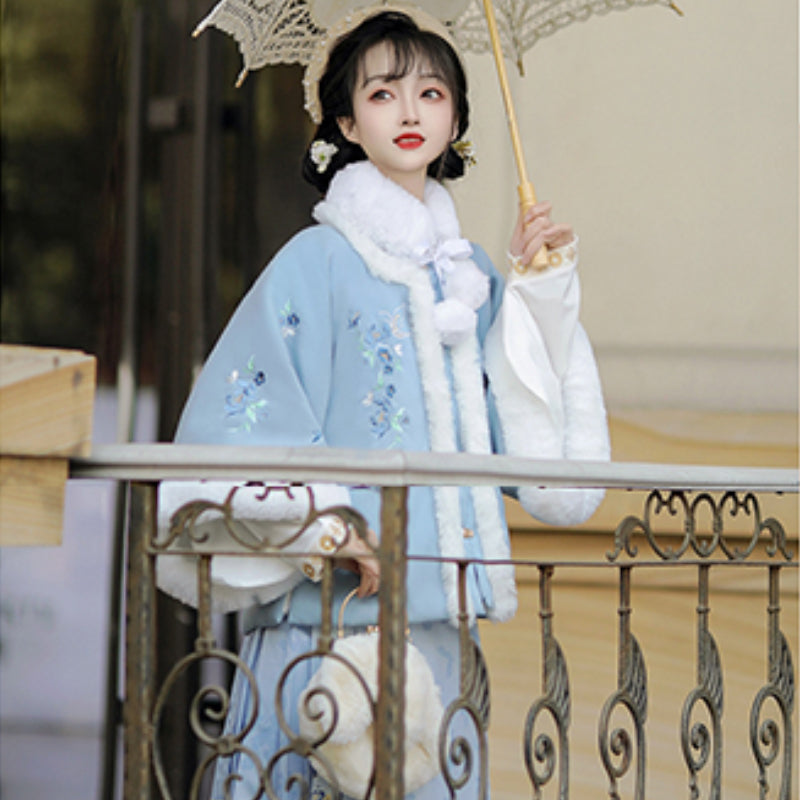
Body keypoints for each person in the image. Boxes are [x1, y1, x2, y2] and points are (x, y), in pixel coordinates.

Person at [157, 6, 609, 798]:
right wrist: (328, 525)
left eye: (432, 94)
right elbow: (232, 429)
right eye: (382, 93)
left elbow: (522, 447)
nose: (409, 112)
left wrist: (537, 291)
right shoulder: (316, 262)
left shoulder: (470, 280)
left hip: (438, 639)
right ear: (345, 121)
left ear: (456, 120)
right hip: (320, 637)